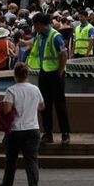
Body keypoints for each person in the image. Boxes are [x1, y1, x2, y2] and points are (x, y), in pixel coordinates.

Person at [0, 62, 44, 186]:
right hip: (33, 129)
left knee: (11, 162)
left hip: (16, 130)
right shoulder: (35, 89)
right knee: (32, 161)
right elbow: (42, 106)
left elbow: (6, 110)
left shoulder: (11, 90)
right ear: (27, 74)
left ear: (15, 75)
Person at [26, 13, 71, 145]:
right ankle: (47, 134)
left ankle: (65, 134)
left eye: (34, 25)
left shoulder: (55, 36)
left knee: (60, 105)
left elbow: (64, 53)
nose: (33, 28)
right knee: (45, 105)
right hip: (44, 73)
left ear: (39, 24)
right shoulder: (40, 36)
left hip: (56, 75)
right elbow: (33, 43)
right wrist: (25, 43)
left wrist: (60, 71)